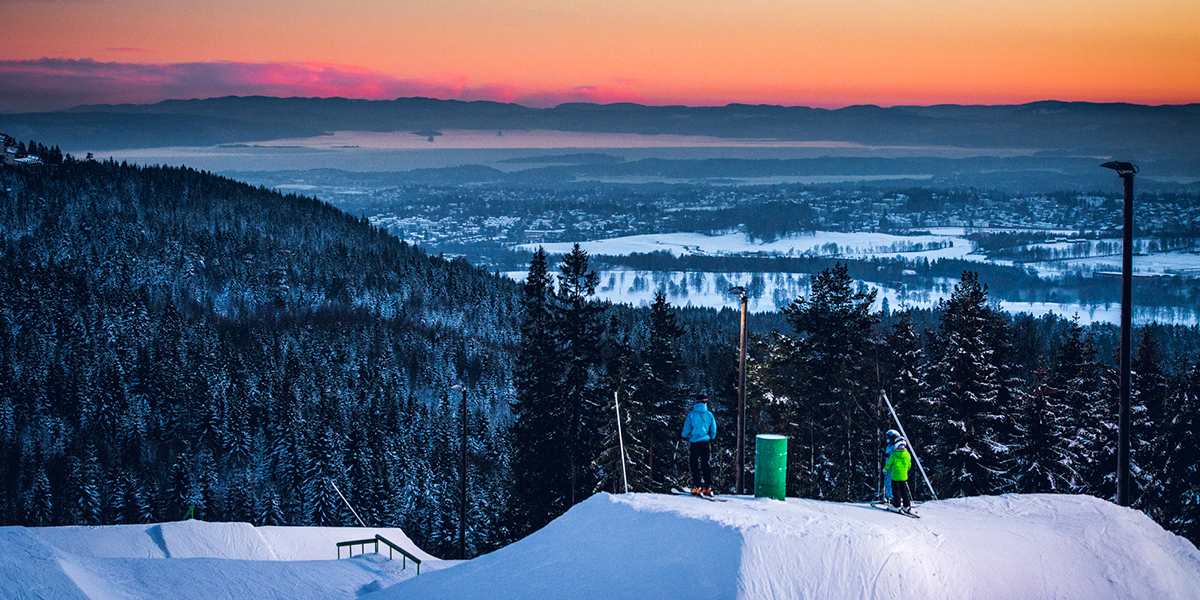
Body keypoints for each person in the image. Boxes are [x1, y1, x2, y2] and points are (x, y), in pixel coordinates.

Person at [681, 393, 717, 496]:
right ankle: (708, 487)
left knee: (694, 464)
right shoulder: (709, 415)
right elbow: (713, 429)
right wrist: (711, 437)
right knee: (706, 464)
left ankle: (697, 486)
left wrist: (684, 436)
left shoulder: (692, 414)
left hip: (694, 443)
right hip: (705, 442)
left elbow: (687, 428)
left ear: (696, 402)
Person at [884, 430, 913, 513]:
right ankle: (906, 506)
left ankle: (896, 505)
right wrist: (905, 470)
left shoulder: (894, 453)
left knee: (896, 491)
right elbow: (909, 464)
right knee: (904, 491)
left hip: (895, 476)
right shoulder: (907, 454)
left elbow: (889, 462)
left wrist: (885, 469)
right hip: (903, 476)